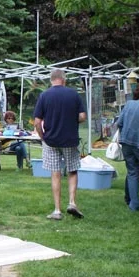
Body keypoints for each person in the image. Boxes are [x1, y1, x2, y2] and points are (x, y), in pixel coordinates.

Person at [33, 68, 87, 220]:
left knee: (55, 173)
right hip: (70, 139)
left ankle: (57, 210)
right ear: (64, 79)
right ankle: (72, 203)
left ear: (51, 80)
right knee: (72, 170)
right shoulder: (73, 94)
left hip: (51, 141)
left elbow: (37, 122)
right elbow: (82, 116)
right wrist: (71, 119)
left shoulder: (44, 95)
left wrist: (42, 137)